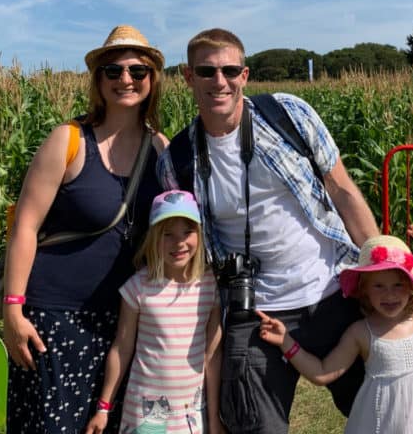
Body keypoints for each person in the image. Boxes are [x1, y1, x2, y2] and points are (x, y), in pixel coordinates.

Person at [156, 28, 381, 434]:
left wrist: (382, 263)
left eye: (230, 70)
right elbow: (185, 249)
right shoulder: (178, 160)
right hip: (254, 310)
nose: (219, 81)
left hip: (332, 294)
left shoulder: (288, 115)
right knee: (256, 426)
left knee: (377, 413)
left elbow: (342, 190)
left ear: (245, 75)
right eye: (206, 71)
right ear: (188, 77)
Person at [3, 25, 167, 433]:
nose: (125, 79)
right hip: (56, 318)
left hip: (126, 320)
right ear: (99, 80)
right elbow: (25, 225)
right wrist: (12, 309)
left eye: (137, 71)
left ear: (152, 79)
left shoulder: (160, 148)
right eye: (113, 71)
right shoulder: (69, 140)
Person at [257, 220, 413, 434]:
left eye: (398, 284)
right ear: (364, 289)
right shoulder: (362, 333)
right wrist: (286, 342)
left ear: (411, 285)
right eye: (379, 286)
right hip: (382, 424)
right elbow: (322, 372)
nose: (390, 294)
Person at [84, 189, 223, 434]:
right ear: (153, 237)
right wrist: (103, 407)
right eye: (167, 234)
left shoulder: (210, 287)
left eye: (187, 232)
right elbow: (122, 347)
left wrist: (213, 420)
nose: (179, 242)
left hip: (191, 415)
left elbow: (212, 356)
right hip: (147, 414)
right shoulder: (138, 287)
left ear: (199, 234)